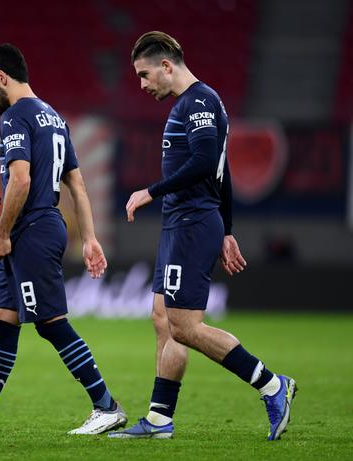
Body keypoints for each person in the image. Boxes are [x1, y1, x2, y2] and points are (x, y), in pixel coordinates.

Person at [107, 31, 296, 441]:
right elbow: (221, 173)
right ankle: (159, 420)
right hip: (184, 221)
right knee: (163, 319)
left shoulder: (199, 102)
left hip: (192, 223)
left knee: (184, 325)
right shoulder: (189, 105)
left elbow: (207, 161)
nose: (141, 84)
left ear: (167, 66)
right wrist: (227, 230)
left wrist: (150, 190)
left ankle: (272, 385)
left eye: (144, 74)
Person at [0, 43, 126, 435]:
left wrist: (1, 234)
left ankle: (106, 406)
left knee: (51, 323)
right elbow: (78, 185)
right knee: (3, 322)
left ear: (2, 78)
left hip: (31, 229)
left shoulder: (16, 116)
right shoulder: (53, 117)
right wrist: (89, 237)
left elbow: (20, 178)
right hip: (44, 223)